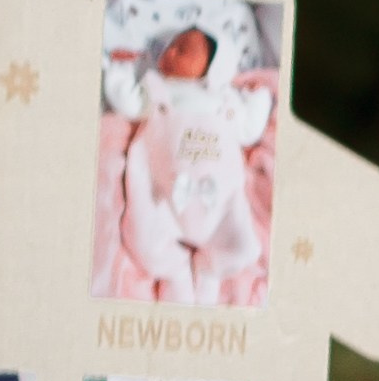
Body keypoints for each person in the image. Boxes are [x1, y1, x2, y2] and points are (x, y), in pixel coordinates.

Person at [108, 16, 272, 305]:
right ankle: (175, 274)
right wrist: (119, 69)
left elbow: (249, 131)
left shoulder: (226, 101)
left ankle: (209, 271)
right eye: (171, 46)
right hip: (162, 194)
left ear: (214, 68)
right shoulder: (157, 89)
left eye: (182, 50)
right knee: (143, 239)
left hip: (219, 202)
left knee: (244, 248)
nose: (170, 52)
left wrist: (259, 97)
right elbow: (129, 103)